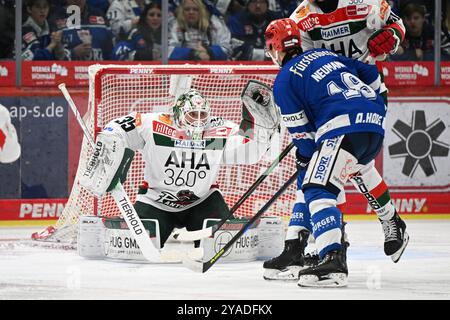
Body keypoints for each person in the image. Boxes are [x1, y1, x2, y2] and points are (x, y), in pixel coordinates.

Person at [262, 0, 408, 280]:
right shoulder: (303, 18)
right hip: (360, 101)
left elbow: (304, 141)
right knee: (353, 167)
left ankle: (331, 252)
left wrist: (393, 34)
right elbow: (365, 70)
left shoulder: (363, 2)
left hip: (339, 113)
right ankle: (298, 247)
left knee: (318, 180)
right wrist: (371, 98)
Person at [79, 87, 280, 249]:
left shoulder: (219, 130)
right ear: (178, 114)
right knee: (135, 246)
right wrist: (108, 150)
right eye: (193, 114)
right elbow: (116, 128)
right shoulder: (154, 124)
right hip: (156, 202)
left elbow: (250, 153)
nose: (199, 120)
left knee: (223, 245)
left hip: (202, 201)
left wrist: (264, 133)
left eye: (203, 115)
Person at [49, 0, 113, 61]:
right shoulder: (55, 19)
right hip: (69, 70)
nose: (77, 0)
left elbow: (110, 49)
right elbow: (53, 56)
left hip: (99, 69)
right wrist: (73, 53)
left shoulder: (100, 15)